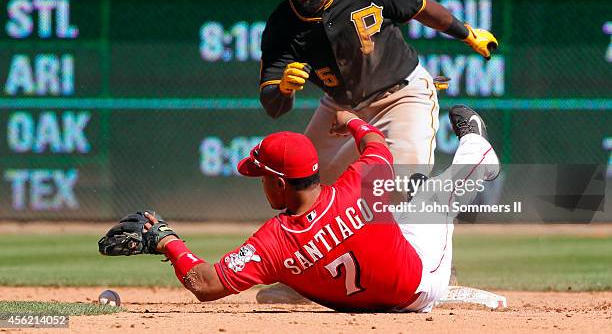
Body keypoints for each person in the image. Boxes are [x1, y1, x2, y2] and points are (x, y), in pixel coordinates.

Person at [257, 0, 498, 302]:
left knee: (403, 185)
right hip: (339, 108)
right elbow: (272, 103)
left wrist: (466, 34)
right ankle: (309, 279)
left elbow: (421, 8)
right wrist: (284, 88)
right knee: (301, 188)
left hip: (401, 95)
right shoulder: (282, 25)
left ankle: (437, 274)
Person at [98, 105, 500, 313]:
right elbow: (376, 143)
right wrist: (352, 121)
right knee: (430, 199)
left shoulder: (272, 242)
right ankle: (467, 154)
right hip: (410, 284)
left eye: (261, 176)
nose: (260, 184)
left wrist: (167, 241)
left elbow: (204, 284)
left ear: (278, 182)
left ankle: (480, 154)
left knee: (430, 201)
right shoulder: (359, 183)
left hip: (407, 287)